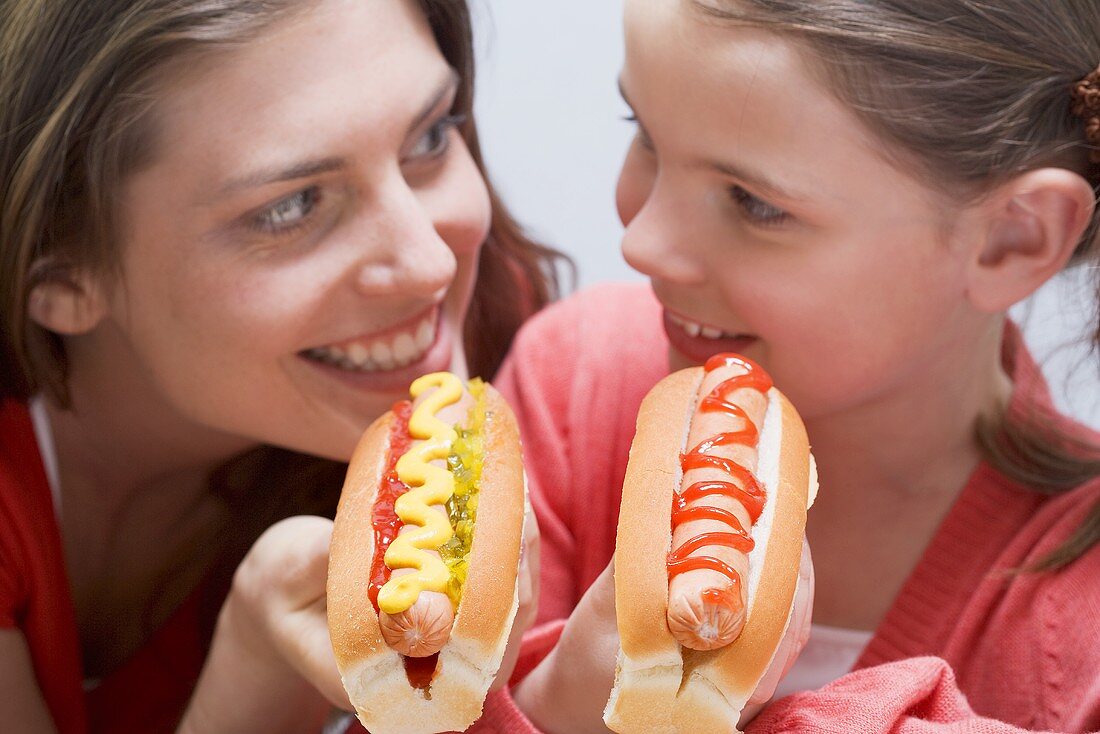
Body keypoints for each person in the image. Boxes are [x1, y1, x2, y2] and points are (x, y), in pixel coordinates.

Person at [463, 0, 1100, 731]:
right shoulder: (574, 382)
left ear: (1013, 240)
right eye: (643, 132)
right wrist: (562, 705)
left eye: (753, 203)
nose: (641, 243)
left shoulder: (1080, 646)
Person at [0, 1, 561, 731]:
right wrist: (255, 678)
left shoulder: (494, 332)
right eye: (292, 206)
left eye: (429, 136)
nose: (430, 264)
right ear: (61, 278)